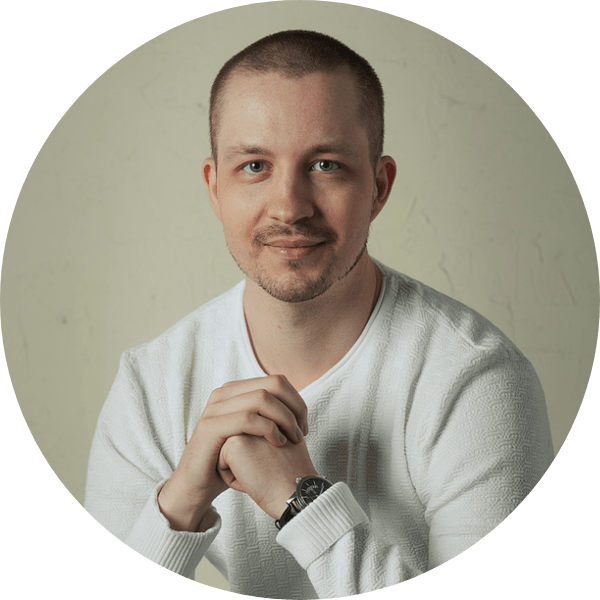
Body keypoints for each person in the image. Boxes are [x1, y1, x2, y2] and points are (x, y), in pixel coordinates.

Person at [84, 30, 554, 599]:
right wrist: (179, 504)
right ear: (214, 187)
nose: (289, 206)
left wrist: (302, 503)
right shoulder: (151, 384)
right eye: (254, 165)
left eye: (326, 164)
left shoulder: (475, 379)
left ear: (379, 187)